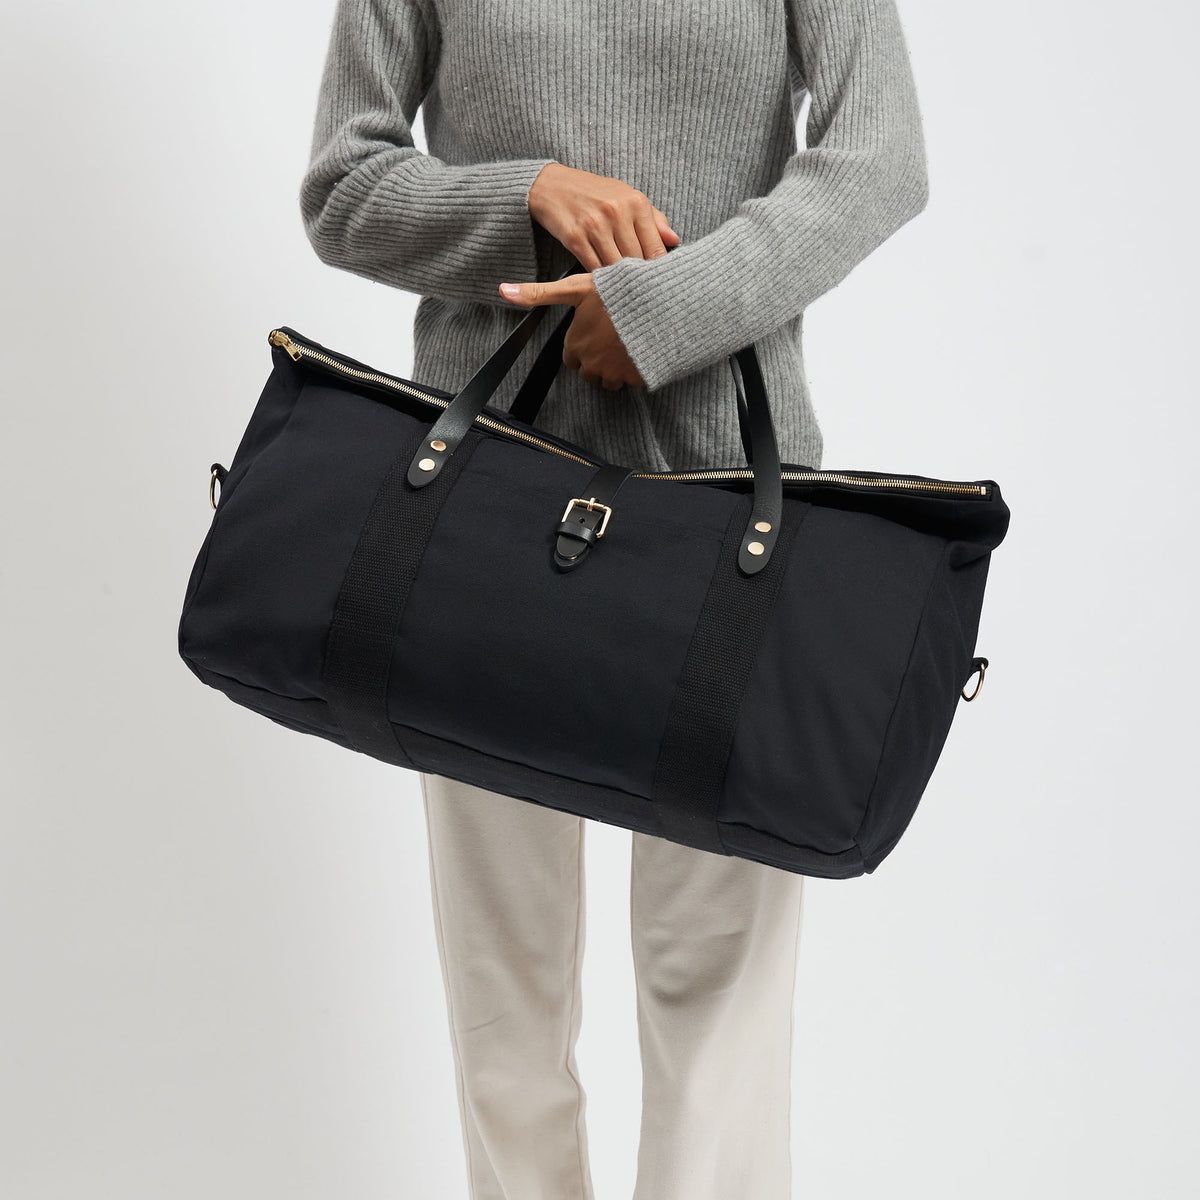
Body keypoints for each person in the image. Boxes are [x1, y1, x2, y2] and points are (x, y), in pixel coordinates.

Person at [299, 0, 928, 1195]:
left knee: (718, 1008)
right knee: (507, 995)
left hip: (731, 513)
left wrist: (666, 308)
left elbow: (880, 158)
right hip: (484, 508)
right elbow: (344, 185)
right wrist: (525, 195)